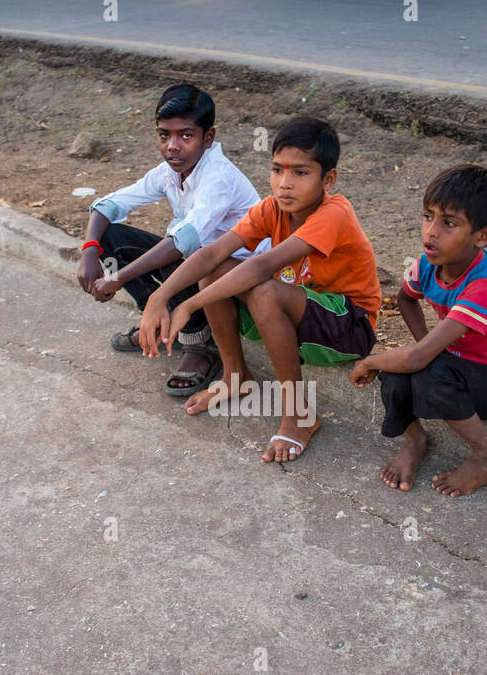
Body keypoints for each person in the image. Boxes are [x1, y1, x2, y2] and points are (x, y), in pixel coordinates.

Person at [137, 116, 380, 462]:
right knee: (216, 272)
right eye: (277, 170)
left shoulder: (334, 213)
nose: (284, 184)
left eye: (300, 172)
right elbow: (213, 253)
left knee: (263, 290)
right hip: (300, 313)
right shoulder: (272, 208)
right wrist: (159, 297)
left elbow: (261, 266)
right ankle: (236, 374)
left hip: (348, 326)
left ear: (328, 179)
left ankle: (298, 417)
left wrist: (187, 305)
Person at [350, 164, 487, 496]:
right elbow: (406, 299)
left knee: (421, 371)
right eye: (427, 216)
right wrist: (428, 348)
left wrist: (371, 361)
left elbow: (419, 358)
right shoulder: (427, 264)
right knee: (397, 373)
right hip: (458, 365)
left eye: (449, 223)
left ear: (482, 235)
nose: (431, 231)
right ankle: (415, 440)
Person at [76, 83, 259, 396]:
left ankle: (199, 346)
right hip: (200, 264)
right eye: (165, 135)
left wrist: (117, 278)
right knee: (109, 236)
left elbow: (184, 240)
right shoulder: (168, 172)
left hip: (237, 277)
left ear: (208, 137)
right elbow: (107, 205)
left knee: (174, 257)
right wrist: (90, 251)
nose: (173, 145)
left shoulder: (218, 177)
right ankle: (160, 325)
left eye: (186, 135)